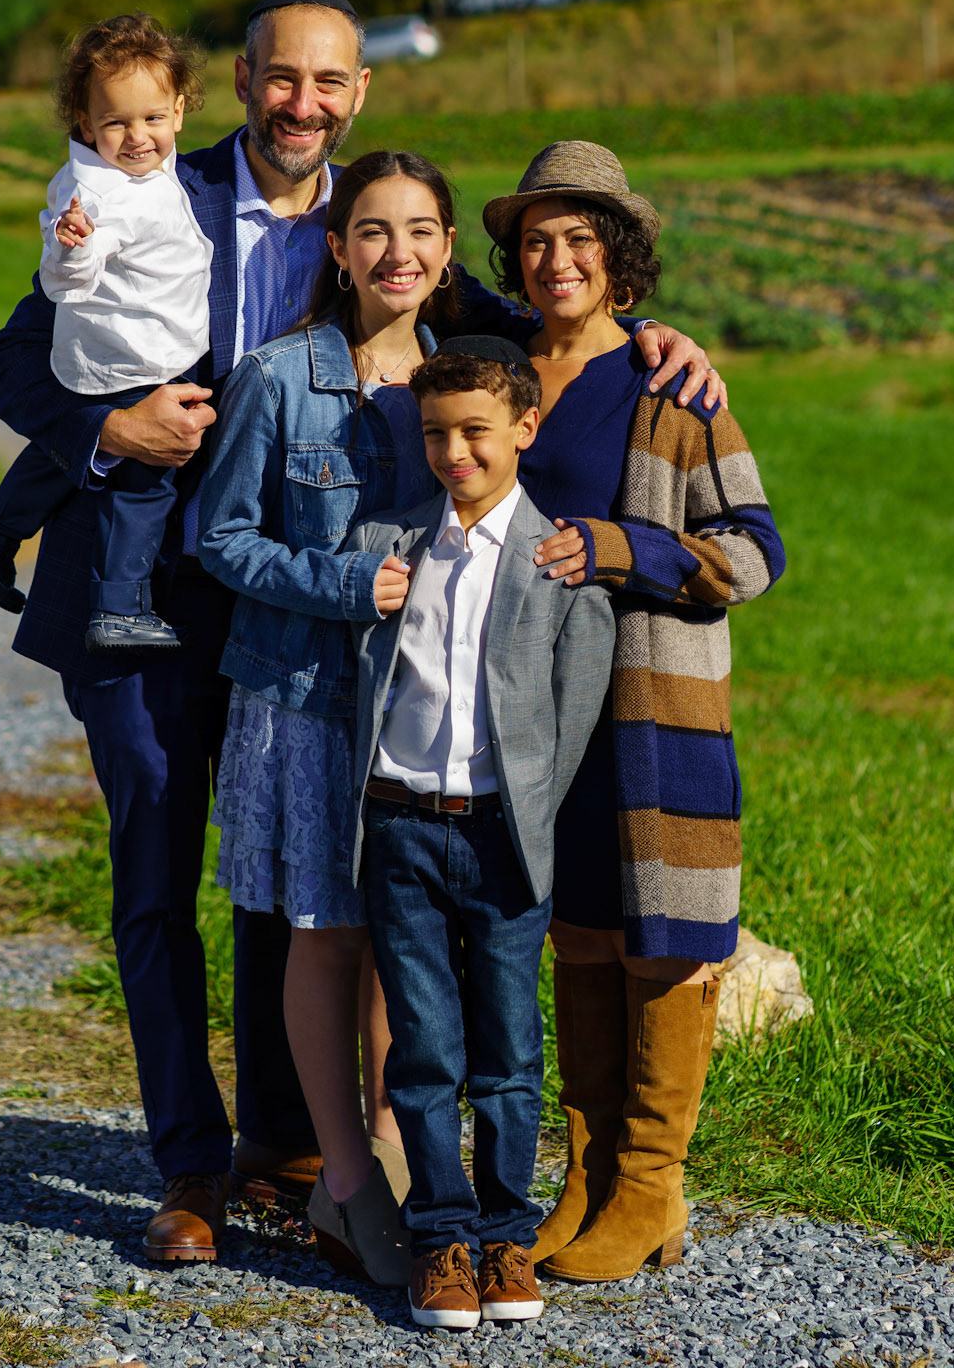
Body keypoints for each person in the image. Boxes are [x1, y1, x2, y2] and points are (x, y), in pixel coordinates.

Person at [0, 0, 720, 1263]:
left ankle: (299, 1145)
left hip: (315, 638)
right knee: (158, 880)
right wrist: (105, 427)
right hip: (149, 589)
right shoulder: (148, 174)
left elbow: (524, 319)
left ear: (357, 92)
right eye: (280, 78)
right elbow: (11, 363)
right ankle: (190, 1170)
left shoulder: (379, 229)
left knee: (313, 887)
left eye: (328, 83)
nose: (302, 104)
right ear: (243, 79)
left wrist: (649, 337)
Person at [482, 142, 787, 1283]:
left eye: (581, 238)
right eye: (537, 239)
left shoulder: (670, 383)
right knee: (581, 933)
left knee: (666, 938)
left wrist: (623, 550)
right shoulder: (494, 362)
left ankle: (652, 1181)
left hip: (653, 703)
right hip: (534, 703)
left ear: (619, 257)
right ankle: (591, 1170)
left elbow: (753, 551)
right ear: (512, 257)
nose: (557, 258)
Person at [197, 150, 462, 1286]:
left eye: (419, 230)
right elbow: (220, 535)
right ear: (337, 249)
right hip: (304, 698)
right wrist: (345, 583)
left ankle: (401, 1158)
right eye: (372, 230)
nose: (396, 251)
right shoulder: (279, 375)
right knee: (324, 924)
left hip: (425, 700)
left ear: (447, 250)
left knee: (406, 935)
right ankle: (345, 1181)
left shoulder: (467, 380)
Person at [347, 339, 616, 1331]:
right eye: (434, 433)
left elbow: (571, 716)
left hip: (503, 838)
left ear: (522, 431)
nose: (453, 450)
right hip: (400, 827)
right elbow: (366, 675)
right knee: (420, 1050)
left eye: (474, 431)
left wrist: (530, 822)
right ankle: (442, 1237)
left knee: (506, 1052)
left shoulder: (558, 563)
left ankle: (507, 1232)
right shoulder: (392, 539)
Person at [0, 16, 212, 652]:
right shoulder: (102, 196)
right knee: (147, 484)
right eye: (117, 123)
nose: (137, 136)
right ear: (86, 124)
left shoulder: (143, 176)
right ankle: (120, 605)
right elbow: (71, 274)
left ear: (178, 111)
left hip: (103, 358)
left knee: (58, 457)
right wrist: (73, 247)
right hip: (142, 364)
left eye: (151, 118)